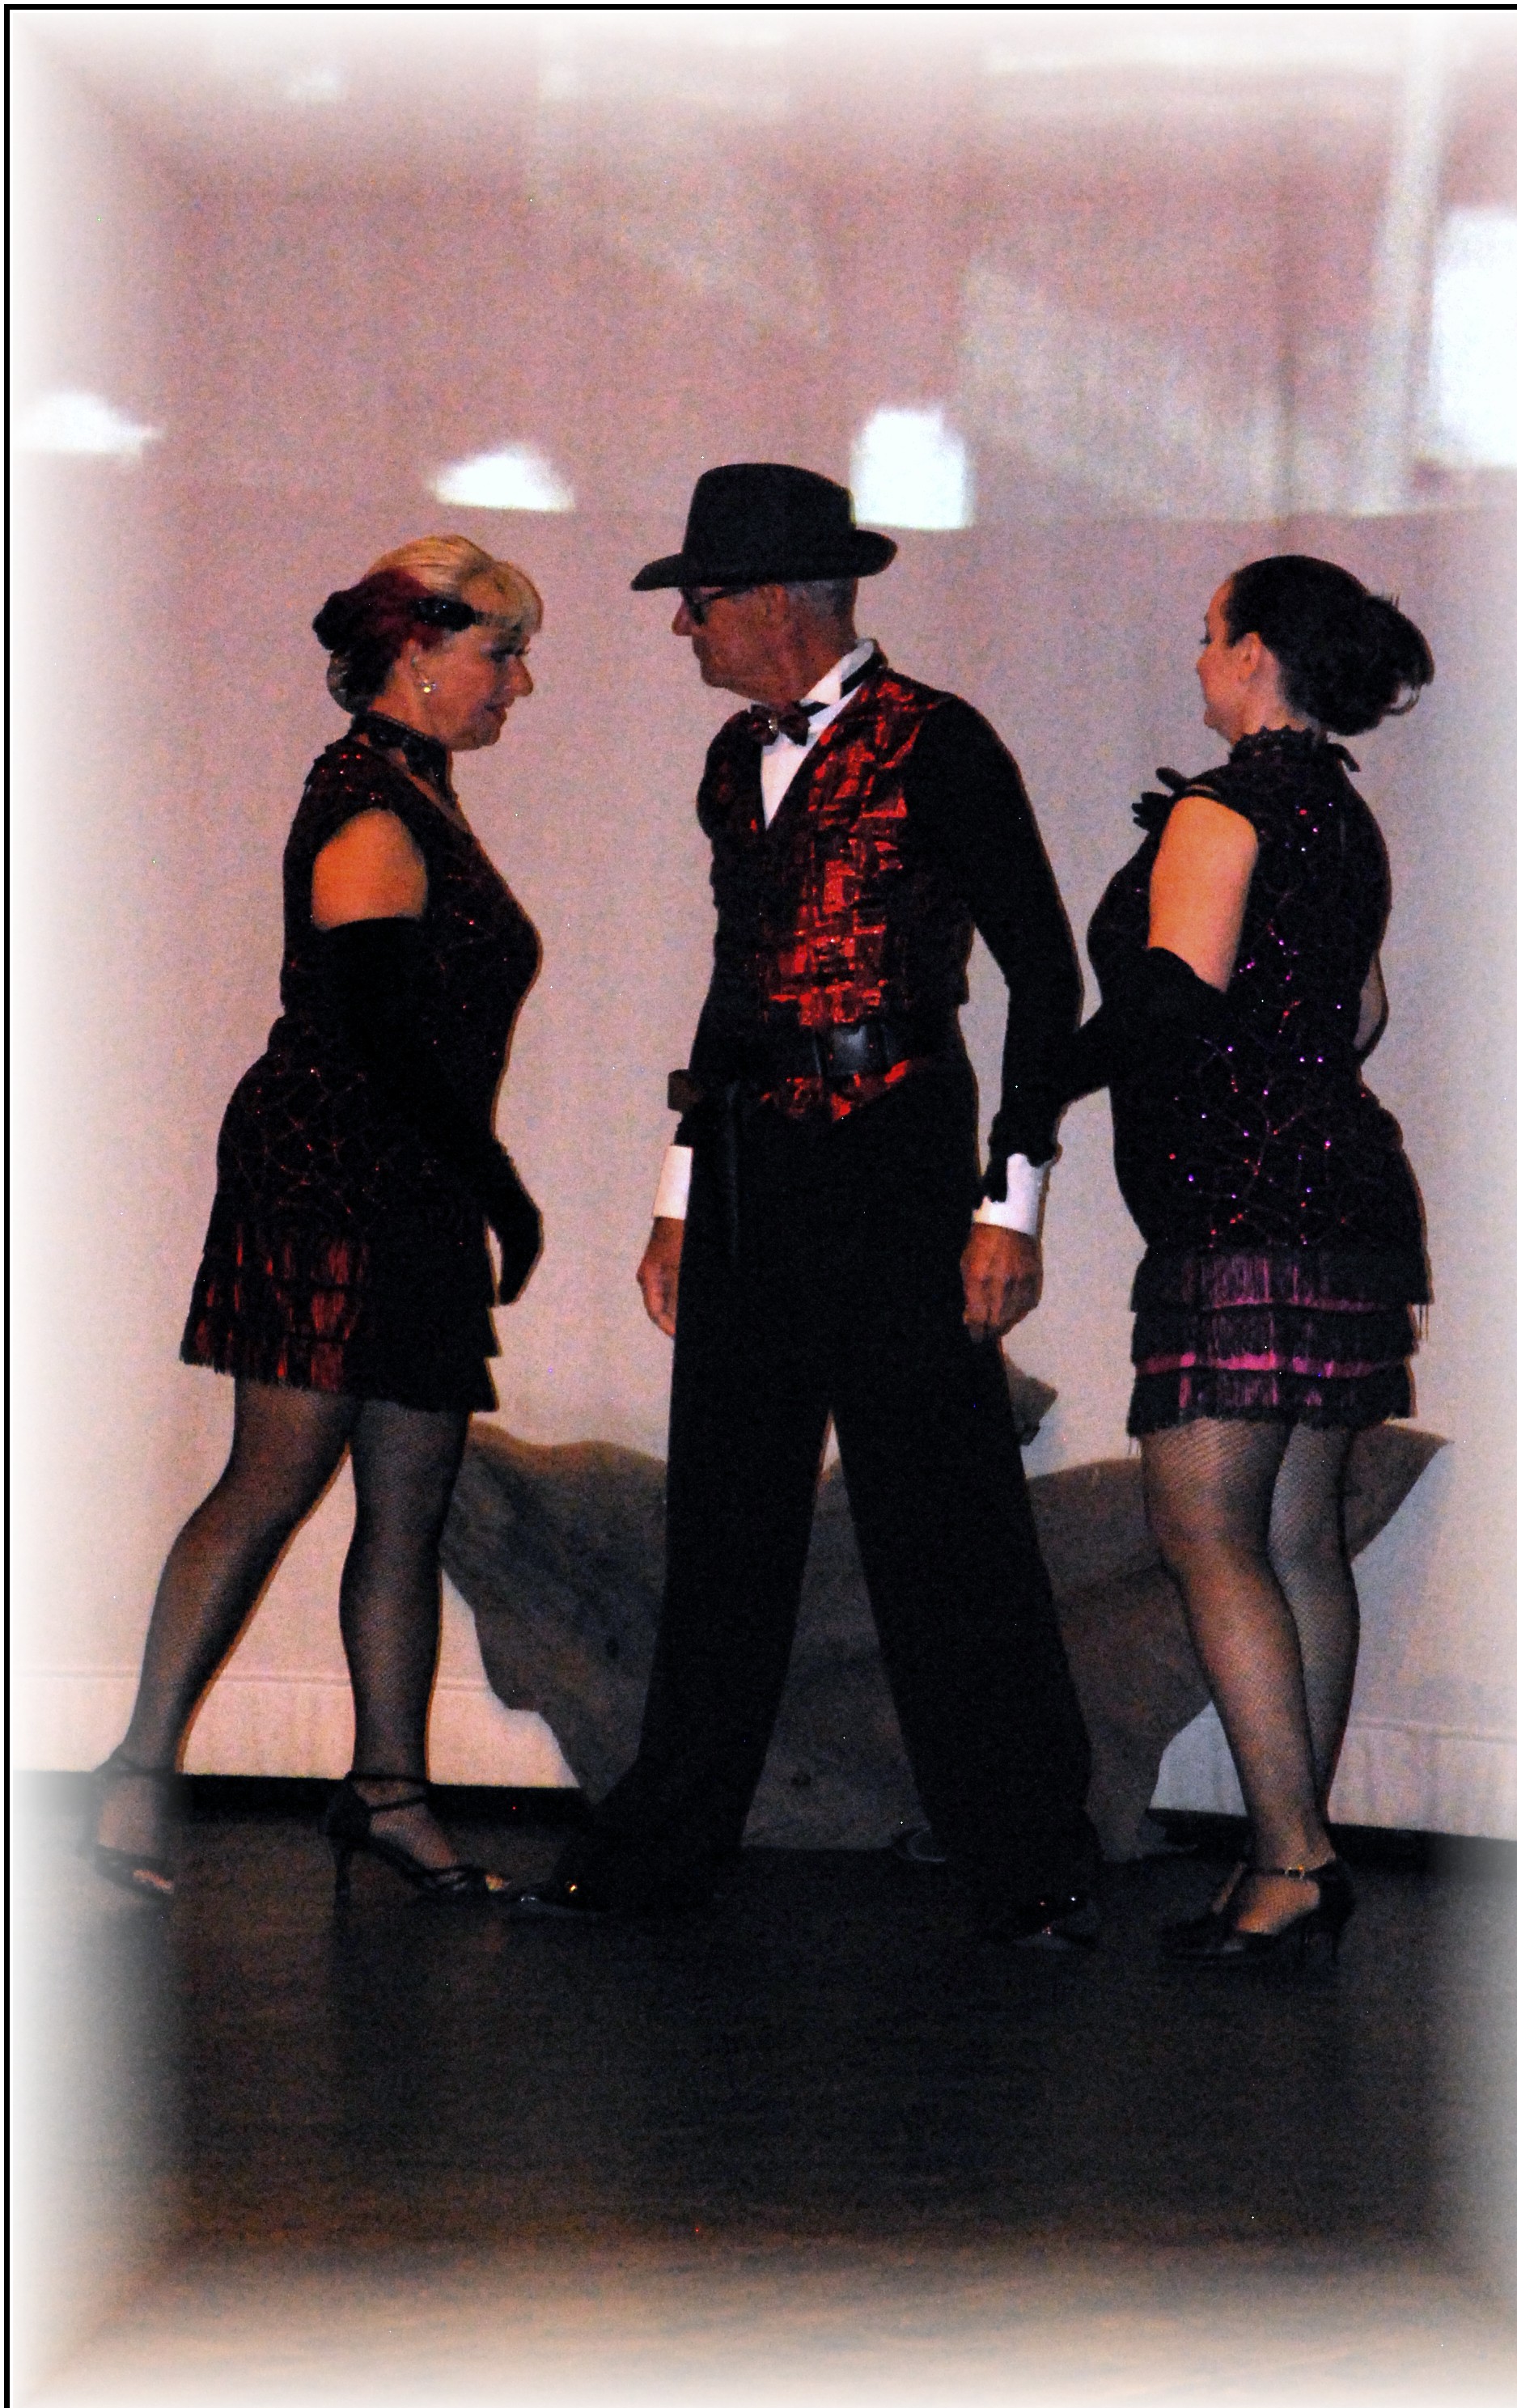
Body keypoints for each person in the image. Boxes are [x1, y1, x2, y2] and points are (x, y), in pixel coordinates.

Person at [515, 462, 1100, 1947]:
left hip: (899, 1152)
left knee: (942, 1513)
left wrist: (1012, 1197)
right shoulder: (734, 764)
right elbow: (738, 982)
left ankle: (1029, 1856)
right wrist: (677, 1192)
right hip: (751, 1160)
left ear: (778, 600)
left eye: (700, 600)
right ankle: (665, 1841)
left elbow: (1046, 973)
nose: (685, 628)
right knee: (725, 1513)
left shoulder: (939, 743)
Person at [87, 536, 545, 1903]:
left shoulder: (415, 791)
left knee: (408, 1499)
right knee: (273, 1481)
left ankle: (389, 1791)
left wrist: (475, 1188)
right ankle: (132, 1779)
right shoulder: (367, 806)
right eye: (502, 654)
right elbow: (381, 1041)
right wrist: (502, 1188)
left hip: (406, 1182)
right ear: (418, 654)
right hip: (328, 1185)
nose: (519, 684)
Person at [1065, 553, 1434, 1964]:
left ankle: (1289, 1862)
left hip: (1240, 1208)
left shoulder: (1225, 807)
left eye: (1210, 632)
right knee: (1295, 1534)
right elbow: (1361, 1013)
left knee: (1210, 1531)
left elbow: (1170, 996)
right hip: (1341, 1194)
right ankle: (1294, 1852)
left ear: (1256, 650)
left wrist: (1038, 1088)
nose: (1198, 655)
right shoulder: (1341, 813)